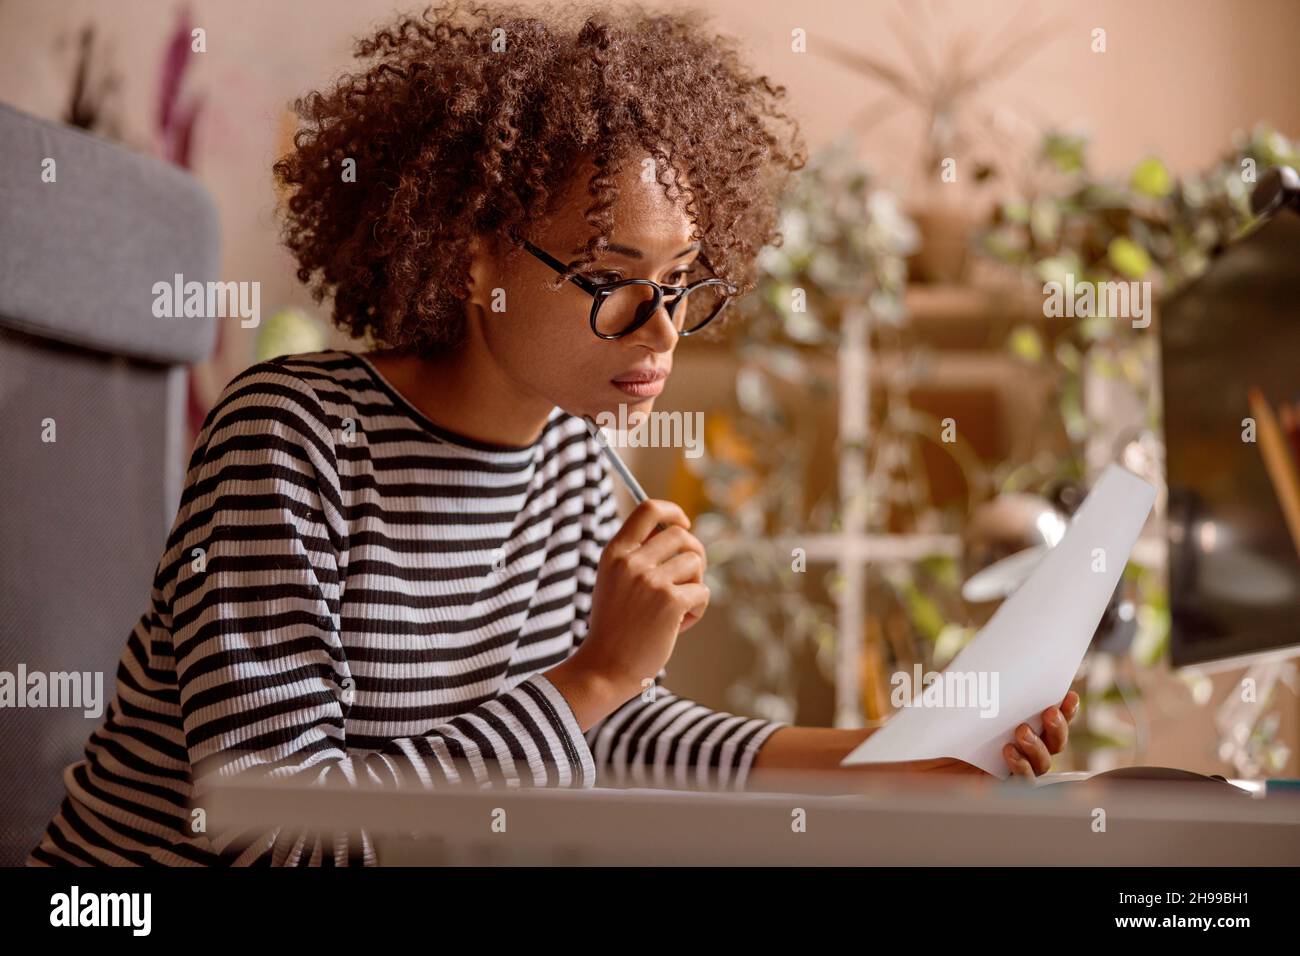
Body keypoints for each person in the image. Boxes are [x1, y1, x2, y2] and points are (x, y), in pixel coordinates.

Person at [29, 1, 1075, 867]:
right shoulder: (291, 442)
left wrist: (903, 757)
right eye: (611, 281)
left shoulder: (575, 459)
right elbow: (276, 837)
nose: (659, 329)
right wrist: (593, 673)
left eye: (677, 286)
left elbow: (623, 738)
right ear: (471, 255)